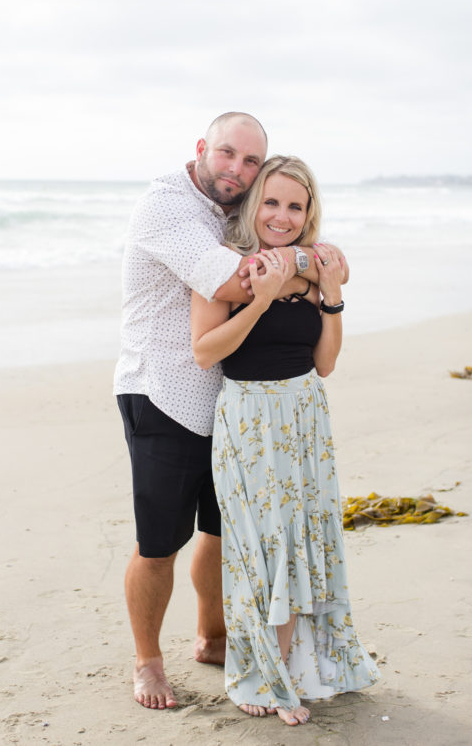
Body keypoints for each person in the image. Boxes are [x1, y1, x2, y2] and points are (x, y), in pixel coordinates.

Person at [113, 114, 348, 711]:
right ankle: (148, 662)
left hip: (229, 404)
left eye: (251, 162)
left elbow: (267, 249)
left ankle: (213, 637)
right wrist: (312, 265)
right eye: (227, 155)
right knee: (159, 542)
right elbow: (236, 281)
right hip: (163, 392)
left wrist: (314, 268)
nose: (237, 171)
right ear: (201, 149)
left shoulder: (231, 208)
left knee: (222, 535)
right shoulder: (170, 209)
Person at [191, 156, 380, 726]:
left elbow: (323, 364)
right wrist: (262, 298)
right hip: (248, 418)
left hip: (305, 417)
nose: (281, 215)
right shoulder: (224, 268)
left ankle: (291, 669)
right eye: (270, 202)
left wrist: (328, 294)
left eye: (294, 206)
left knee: (302, 542)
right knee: (259, 549)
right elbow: (205, 352)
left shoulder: (313, 267)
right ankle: (257, 675)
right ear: (253, 205)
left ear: (308, 212)